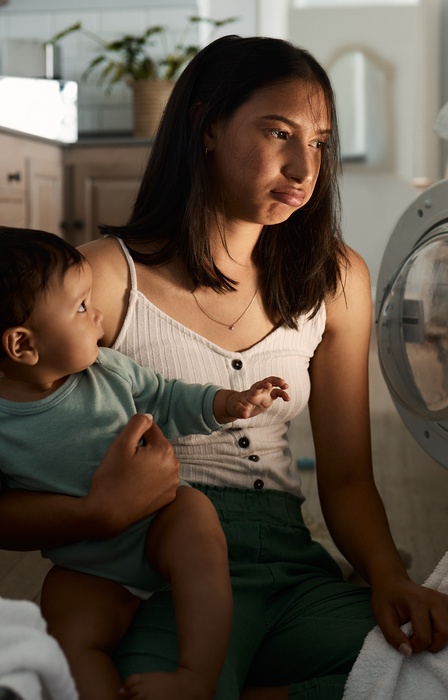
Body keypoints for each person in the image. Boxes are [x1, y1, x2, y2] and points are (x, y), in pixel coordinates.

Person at [0, 33, 447, 700]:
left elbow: (349, 477)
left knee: (430, 665)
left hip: (293, 565)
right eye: (278, 133)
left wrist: (386, 574)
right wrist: (93, 515)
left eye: (320, 142)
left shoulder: (336, 278)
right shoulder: (99, 278)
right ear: (206, 128)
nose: (304, 167)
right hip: (167, 566)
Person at [0, 226, 290, 700]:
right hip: (85, 564)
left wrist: (227, 403)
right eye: (80, 307)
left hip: (159, 524)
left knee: (197, 521)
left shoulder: (107, 370)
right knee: (68, 639)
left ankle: (197, 674)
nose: (97, 315)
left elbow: (166, 396)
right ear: (23, 346)